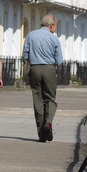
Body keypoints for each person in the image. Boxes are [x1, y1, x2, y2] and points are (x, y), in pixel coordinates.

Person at [22, 14, 63, 142]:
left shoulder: (30, 35)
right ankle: (48, 123)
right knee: (50, 98)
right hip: (49, 68)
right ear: (51, 26)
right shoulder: (54, 39)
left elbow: (25, 55)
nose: (55, 29)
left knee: (37, 100)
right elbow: (59, 60)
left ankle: (41, 134)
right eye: (55, 26)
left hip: (34, 68)